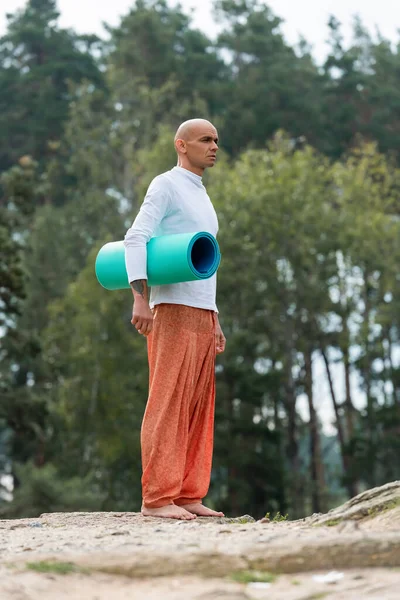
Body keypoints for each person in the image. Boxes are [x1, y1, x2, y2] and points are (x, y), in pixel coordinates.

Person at [124, 118, 226, 520]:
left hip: (203, 313)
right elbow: (137, 236)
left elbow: (207, 263)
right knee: (167, 402)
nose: (214, 146)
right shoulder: (165, 184)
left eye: (216, 140)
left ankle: (187, 493)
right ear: (181, 145)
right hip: (169, 310)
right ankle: (157, 499)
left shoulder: (202, 194)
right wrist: (139, 297)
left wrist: (214, 316)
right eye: (205, 139)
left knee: (199, 406)